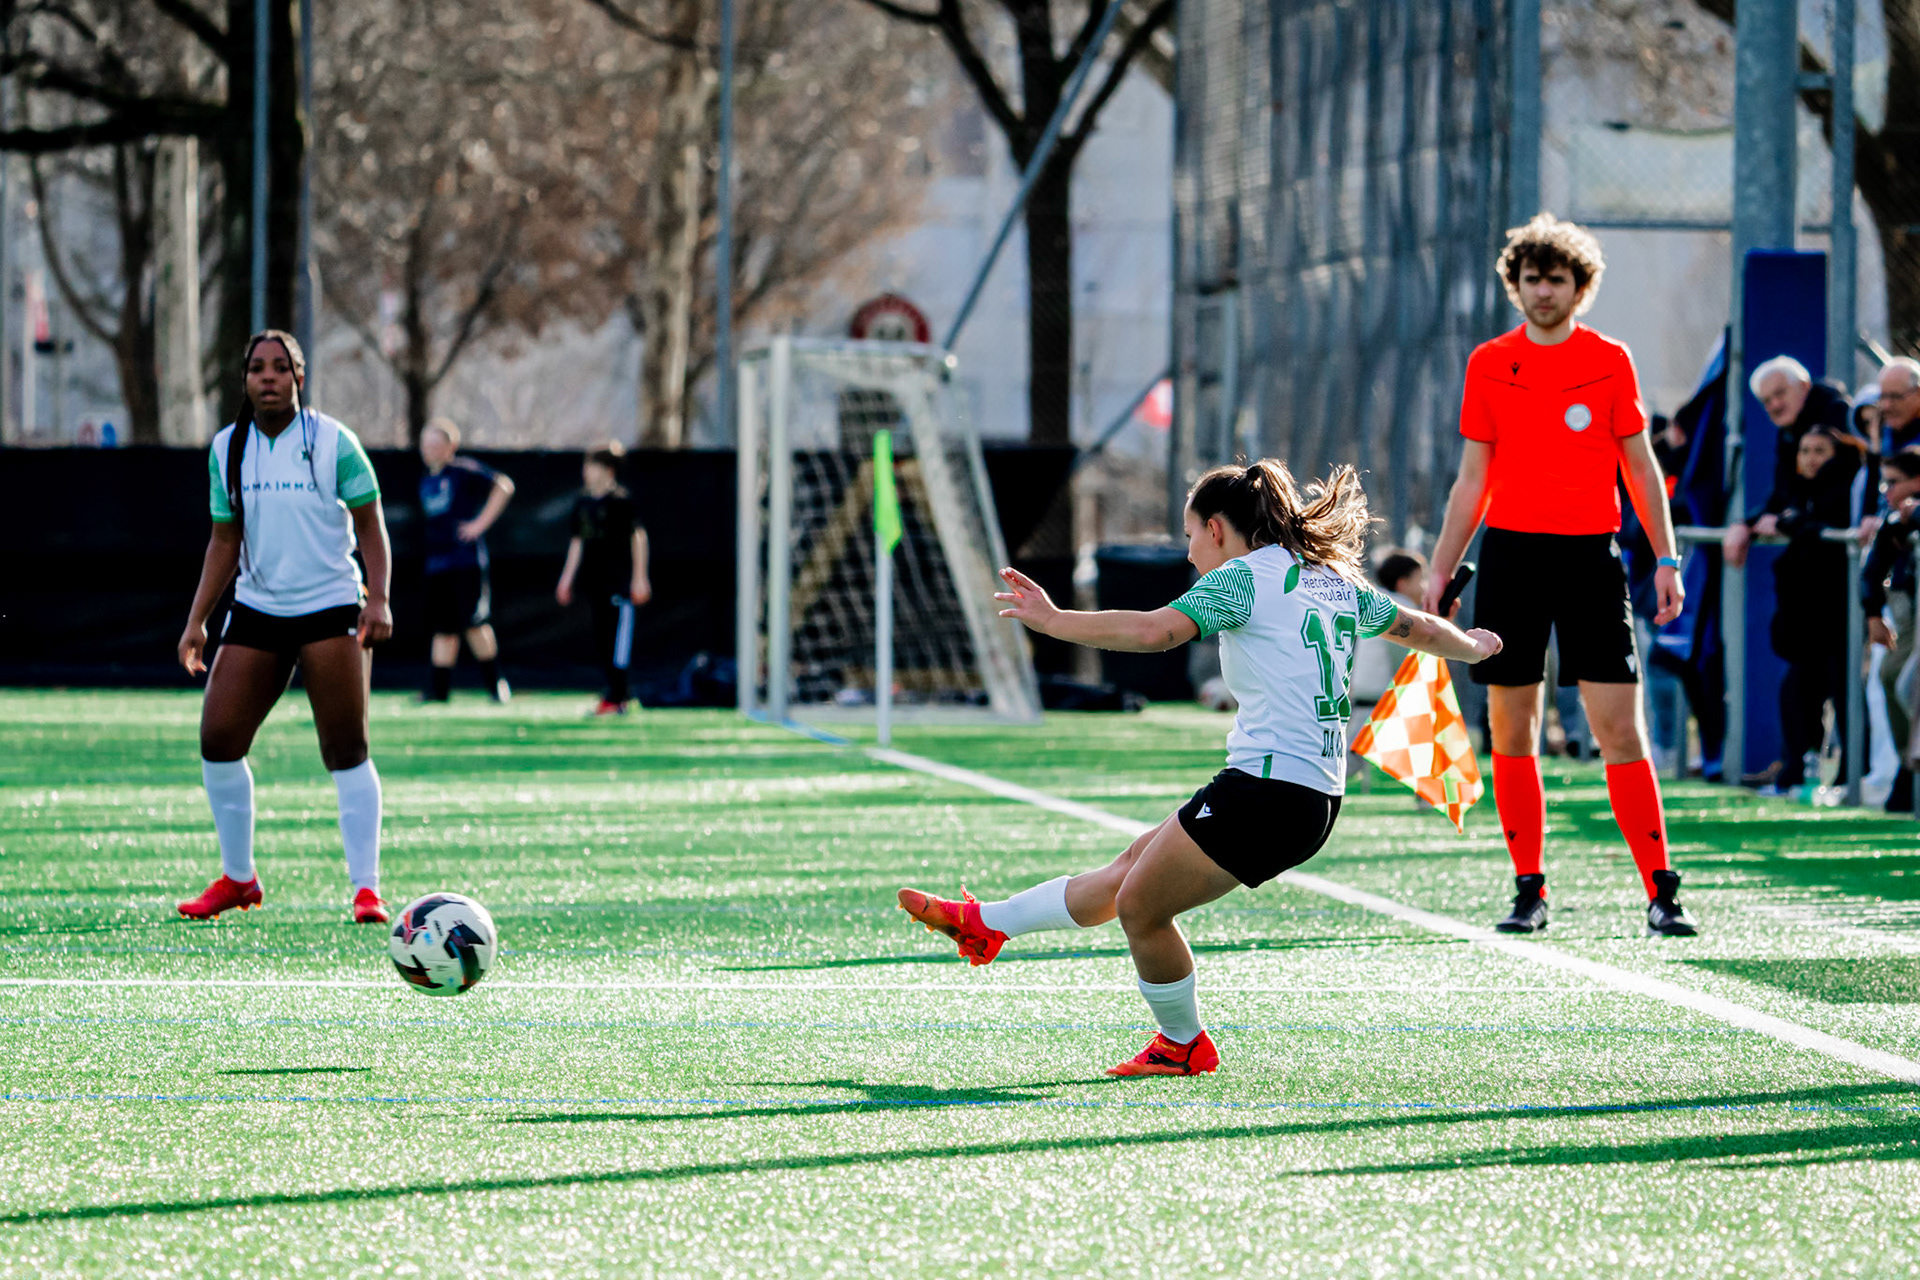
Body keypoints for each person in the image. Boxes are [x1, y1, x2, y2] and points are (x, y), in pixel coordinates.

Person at [897, 461, 1503, 1077]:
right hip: (1308, 794)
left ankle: (1182, 1043)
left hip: (1271, 790)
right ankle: (985, 925)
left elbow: (1157, 631)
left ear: (1216, 528)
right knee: (1130, 868)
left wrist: (1054, 621)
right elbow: (1416, 627)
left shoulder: (1243, 577)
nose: (1189, 555)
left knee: (1140, 906)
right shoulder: (1333, 580)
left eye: (1189, 536)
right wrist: (1473, 644)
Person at [1425, 212, 1698, 938]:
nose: (1544, 291)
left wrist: (1666, 559)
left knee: (1620, 730)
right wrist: (1439, 570)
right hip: (1512, 558)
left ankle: (1662, 891)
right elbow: (1471, 479)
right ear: (1514, 286)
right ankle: (1528, 888)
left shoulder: (1611, 358)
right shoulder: (1489, 361)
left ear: (1582, 286)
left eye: (1558, 278)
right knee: (1512, 729)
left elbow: (1641, 468)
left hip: (1591, 558)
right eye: (1532, 278)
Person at [174, 330, 393, 924]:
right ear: (244, 380)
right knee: (218, 742)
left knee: (346, 749)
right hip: (258, 608)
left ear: (300, 377)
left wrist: (378, 600)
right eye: (256, 369)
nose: (267, 377)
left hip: (329, 607)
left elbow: (371, 526)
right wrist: (197, 620)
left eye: (280, 368)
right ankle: (239, 879)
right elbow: (224, 540)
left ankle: (366, 890)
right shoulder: (227, 447)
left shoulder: (334, 442)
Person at [1763, 427, 1864, 794]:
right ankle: (1799, 773)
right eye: (1804, 449)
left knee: (1846, 693)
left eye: (1820, 450)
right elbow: (1776, 513)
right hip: (1806, 624)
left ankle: (1854, 777)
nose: (1810, 458)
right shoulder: (1795, 488)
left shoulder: (1844, 486)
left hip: (1838, 616)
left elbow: (1825, 522)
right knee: (1796, 693)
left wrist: (1797, 523)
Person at [418, 417, 515, 704]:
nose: (430, 450)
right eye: (426, 444)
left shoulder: (462, 471)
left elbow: (504, 485)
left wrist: (478, 524)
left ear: (451, 446)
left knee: (475, 623)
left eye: (436, 444)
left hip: (465, 562)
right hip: (437, 564)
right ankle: (439, 690)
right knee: (443, 628)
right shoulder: (426, 479)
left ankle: (496, 684)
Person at [1721, 355, 1851, 569]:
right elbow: (1783, 494)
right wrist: (1745, 524)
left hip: (1839, 561)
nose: (1775, 405)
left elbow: (1836, 500)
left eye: (1780, 393)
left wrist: (1785, 522)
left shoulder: (1839, 418)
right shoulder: (1789, 432)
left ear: (1803, 386)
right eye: (1767, 401)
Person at [556, 441, 651, 715]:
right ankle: (614, 693)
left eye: (592, 465)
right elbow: (578, 542)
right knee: (602, 639)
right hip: (594, 583)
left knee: (619, 641)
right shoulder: (582, 502)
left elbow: (638, 537)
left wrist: (639, 577)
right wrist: (566, 579)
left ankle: (619, 694)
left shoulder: (621, 502)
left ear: (608, 470)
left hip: (619, 582)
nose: (586, 471)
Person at [1862, 448, 1920, 810]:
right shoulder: (1896, 518)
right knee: (1892, 675)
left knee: (1904, 679)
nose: (1887, 491)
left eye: (1895, 482)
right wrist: (1872, 615)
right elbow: (1871, 570)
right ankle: (1908, 767)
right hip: (1908, 615)